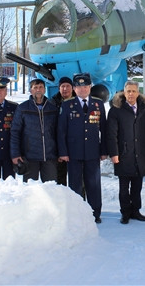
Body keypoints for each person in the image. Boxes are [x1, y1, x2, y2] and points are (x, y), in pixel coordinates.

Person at [58, 73, 107, 224]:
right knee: (75, 184)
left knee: (93, 184)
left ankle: (95, 213)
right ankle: (77, 213)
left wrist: (104, 150)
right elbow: (61, 131)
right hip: (74, 152)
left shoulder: (98, 104)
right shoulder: (67, 105)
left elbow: (104, 129)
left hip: (93, 151)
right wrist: (63, 152)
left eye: (85, 86)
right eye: (79, 87)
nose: (82, 89)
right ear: (74, 88)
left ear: (90, 87)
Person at [107, 80, 145, 224]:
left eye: (134, 91)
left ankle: (136, 211)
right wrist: (114, 153)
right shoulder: (116, 109)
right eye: (128, 91)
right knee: (123, 188)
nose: (131, 94)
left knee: (137, 186)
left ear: (138, 92)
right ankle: (125, 212)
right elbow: (111, 134)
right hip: (123, 154)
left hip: (141, 153)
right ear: (124, 92)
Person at [10, 78, 59, 182]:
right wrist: (15, 154)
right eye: (35, 87)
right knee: (30, 189)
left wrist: (60, 152)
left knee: (51, 188)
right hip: (30, 156)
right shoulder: (22, 108)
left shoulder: (52, 108)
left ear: (44, 90)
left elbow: (58, 132)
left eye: (41, 87)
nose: (38, 90)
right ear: (31, 90)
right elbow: (15, 132)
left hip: (49, 156)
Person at [51, 76, 76, 186]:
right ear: (59, 88)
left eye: (67, 86)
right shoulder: (52, 104)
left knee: (77, 181)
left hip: (75, 148)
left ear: (73, 88)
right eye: (62, 86)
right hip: (58, 148)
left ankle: (79, 202)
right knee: (60, 181)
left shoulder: (78, 102)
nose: (65, 89)